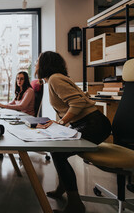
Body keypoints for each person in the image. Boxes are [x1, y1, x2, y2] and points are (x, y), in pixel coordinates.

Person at [35, 51, 111, 213]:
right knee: (57, 149)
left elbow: (77, 102)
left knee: (58, 152)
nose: (35, 65)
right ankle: (63, 186)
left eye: (37, 62)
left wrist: (62, 122)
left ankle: (75, 203)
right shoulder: (56, 79)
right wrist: (59, 125)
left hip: (93, 124)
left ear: (44, 65)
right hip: (88, 123)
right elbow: (71, 104)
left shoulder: (55, 79)